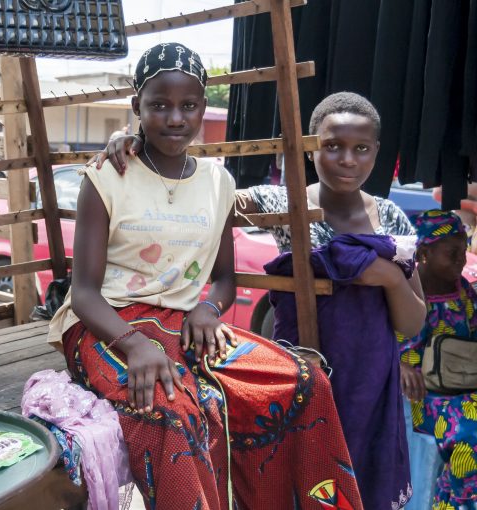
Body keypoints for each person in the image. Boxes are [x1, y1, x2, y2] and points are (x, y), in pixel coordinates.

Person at [49, 42, 361, 509]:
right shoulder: (107, 176)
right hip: (107, 323)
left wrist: (209, 308)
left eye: (188, 105)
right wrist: (134, 344)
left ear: (203, 108)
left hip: (182, 320)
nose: (175, 118)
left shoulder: (219, 182)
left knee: (305, 382)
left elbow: (224, 280)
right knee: (171, 409)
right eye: (159, 105)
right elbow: (85, 294)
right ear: (137, 107)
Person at [95, 91, 427, 508]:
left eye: (361, 149)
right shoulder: (285, 202)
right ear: (309, 148)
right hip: (305, 370)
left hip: (372, 381)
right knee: (303, 482)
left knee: (366, 480)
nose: (347, 160)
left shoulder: (391, 217)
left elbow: (413, 322)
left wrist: (389, 281)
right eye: (332, 146)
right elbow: (208, 193)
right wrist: (140, 146)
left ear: (376, 153)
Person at [399, 210, 477, 509]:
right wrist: (400, 365)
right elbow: (375, 340)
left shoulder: (464, 292)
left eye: (463, 249)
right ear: (424, 253)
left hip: (463, 388)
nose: (461, 259)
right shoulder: (405, 292)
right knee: (470, 431)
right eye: (451, 252)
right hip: (425, 397)